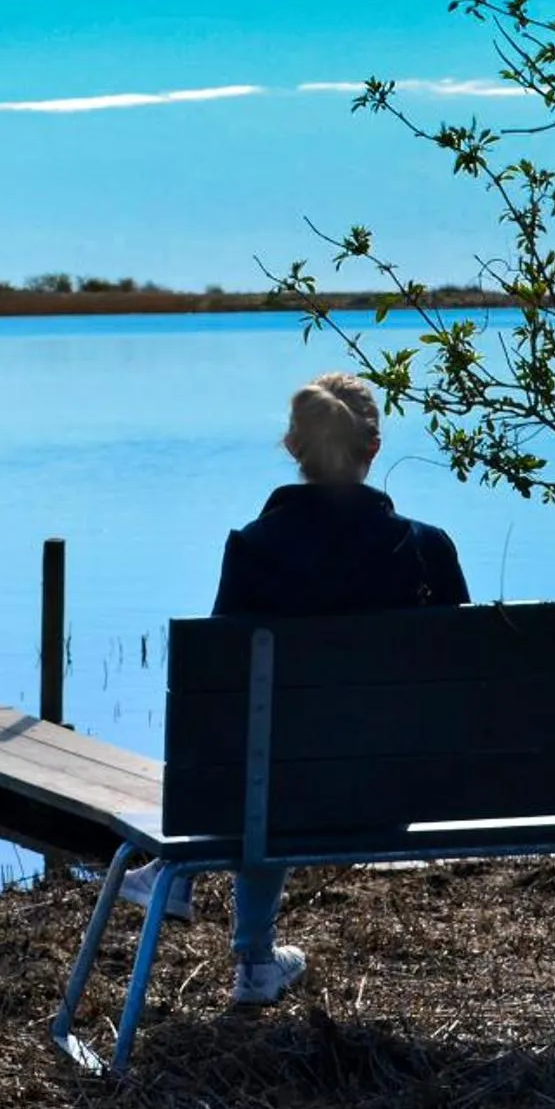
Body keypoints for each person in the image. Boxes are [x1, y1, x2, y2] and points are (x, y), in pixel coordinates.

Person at [123, 370, 470, 1005]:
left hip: (279, 792)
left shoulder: (255, 548)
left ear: (293, 448)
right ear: (374, 448)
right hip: (401, 794)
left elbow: (221, 700)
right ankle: (243, 952)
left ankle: (181, 877)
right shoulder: (428, 550)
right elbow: (464, 683)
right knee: (288, 753)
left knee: (266, 751)